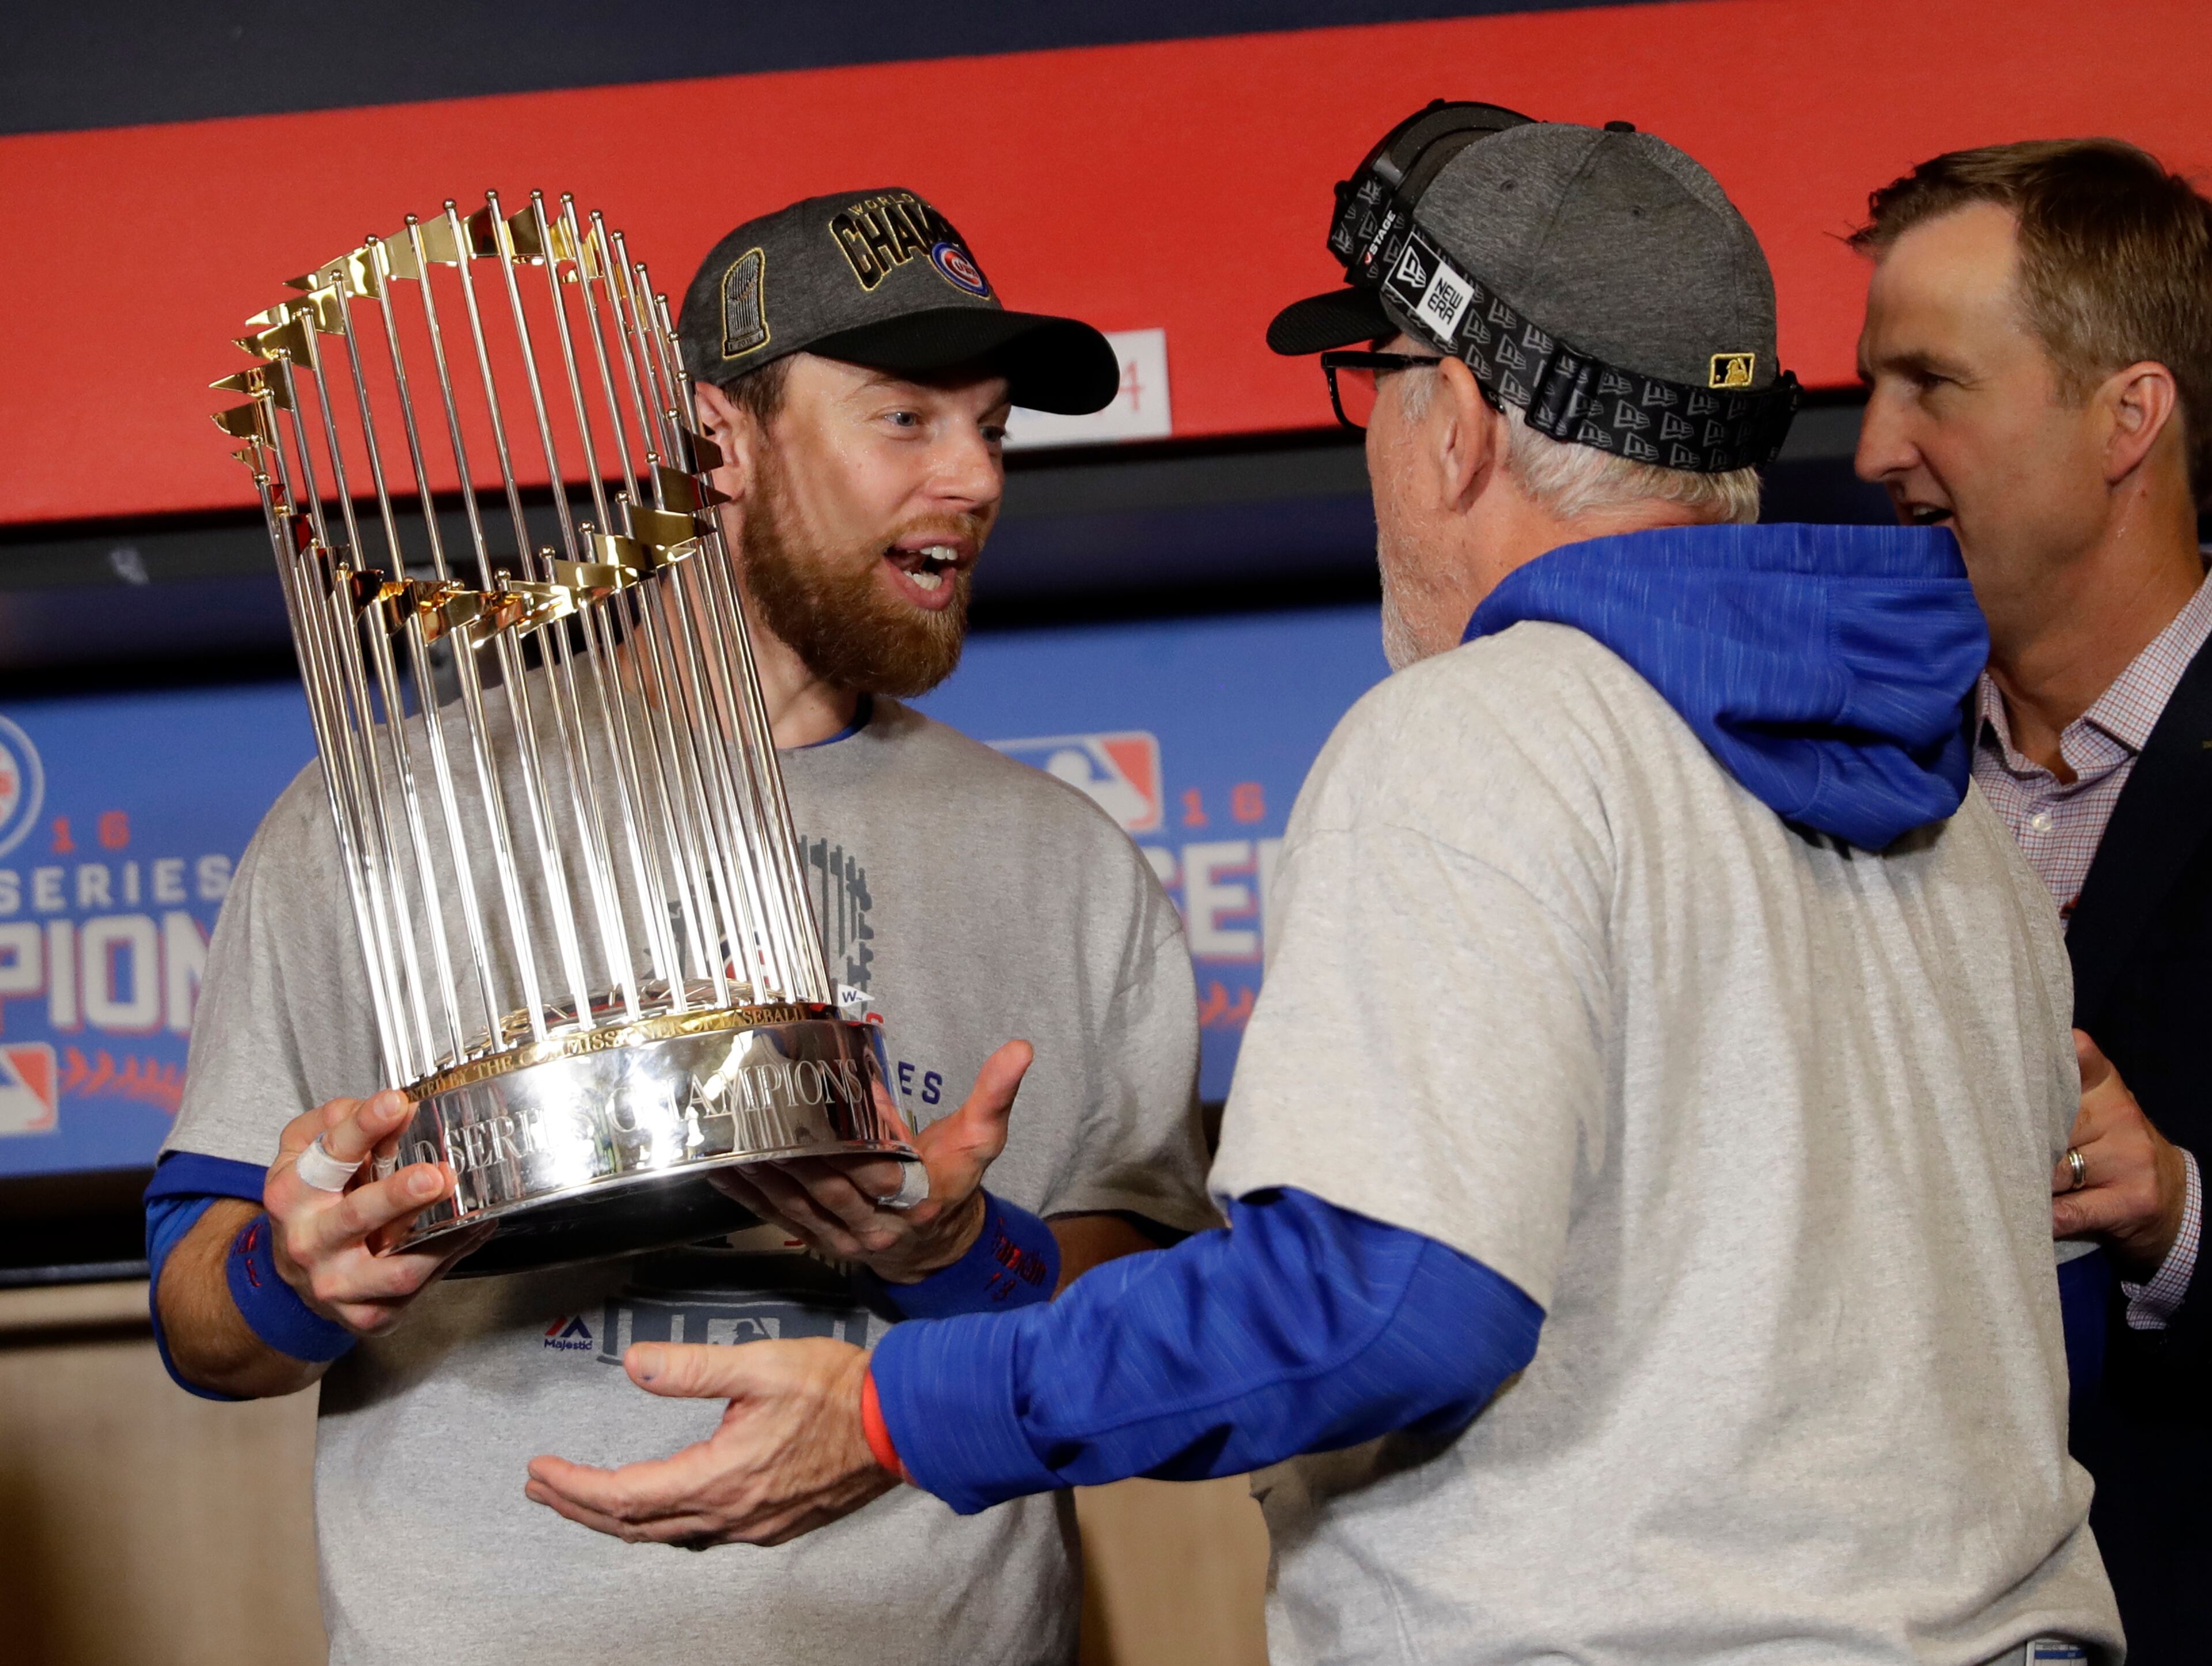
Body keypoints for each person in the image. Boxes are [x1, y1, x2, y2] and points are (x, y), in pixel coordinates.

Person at [524, 119, 2122, 1661]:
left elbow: (1393, 1308)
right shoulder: (1962, 823)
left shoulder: (1487, 734)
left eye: (1376, 378)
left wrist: (891, 1411)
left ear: (1465, 421)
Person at [145, 187, 1217, 1666]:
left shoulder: (1066, 861)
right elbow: (201, 1321)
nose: (974, 476)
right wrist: (293, 1273)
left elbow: (1154, 1323)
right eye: (906, 418)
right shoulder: (378, 817)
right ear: (722, 440)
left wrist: (965, 1250)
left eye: (993, 428)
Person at [1853, 138, 2212, 1664]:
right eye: (1874, 384)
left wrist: (2181, 1212)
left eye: (1933, 382)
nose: (1874, 445)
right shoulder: (1846, 784)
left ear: (2130, 413)